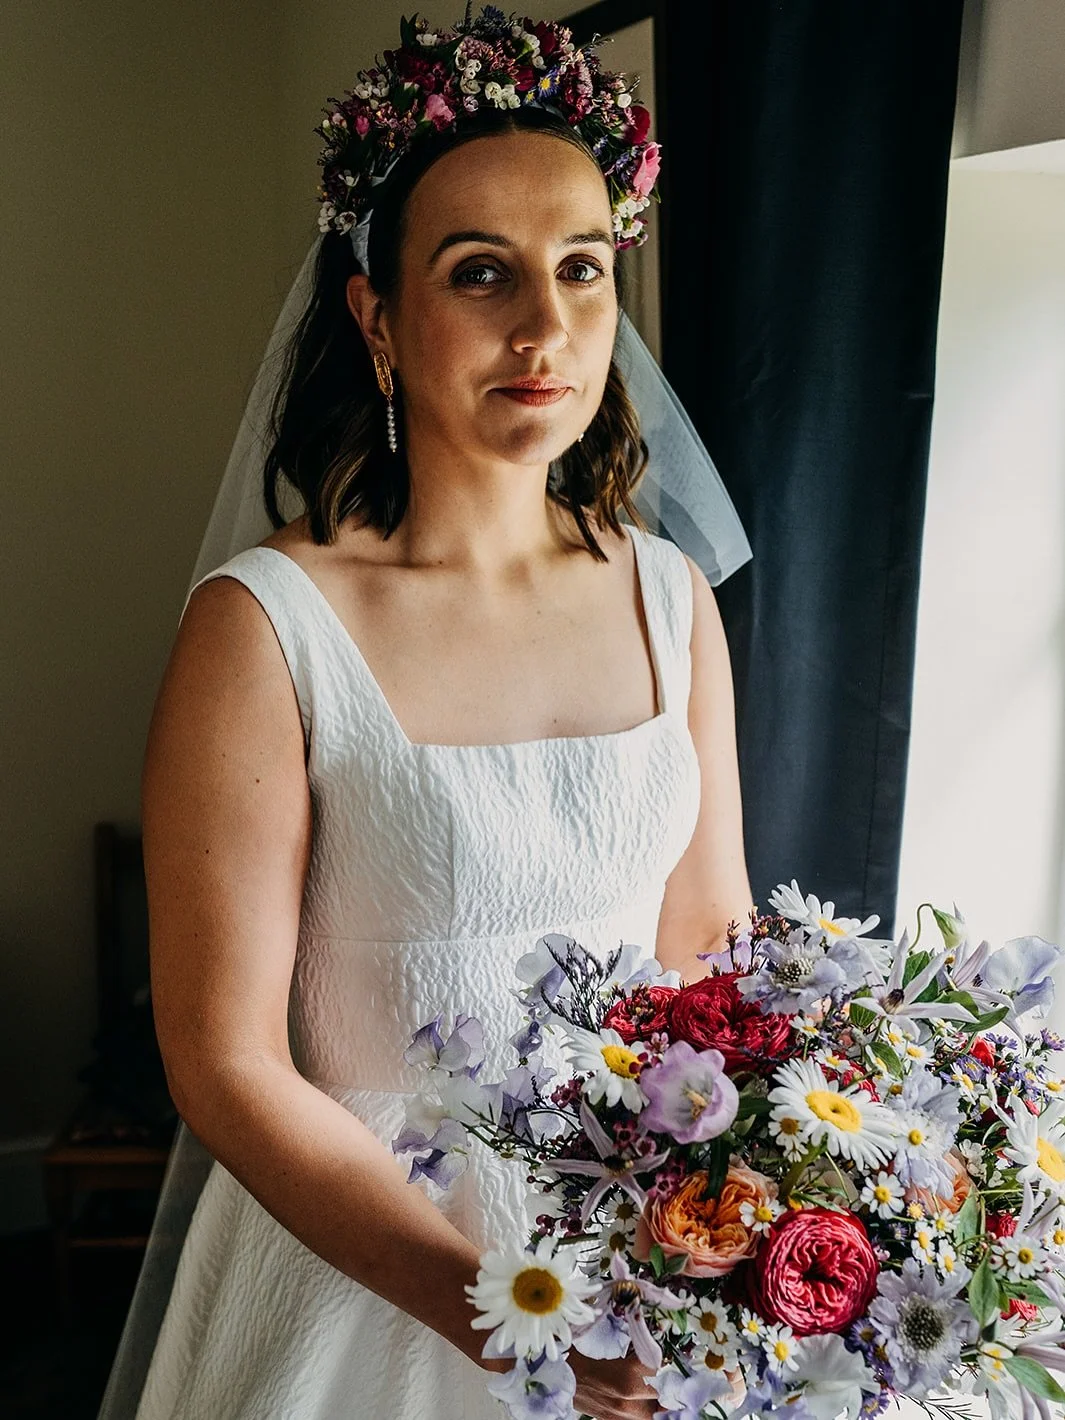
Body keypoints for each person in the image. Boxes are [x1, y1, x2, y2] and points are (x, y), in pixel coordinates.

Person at [99, 8, 754, 1418]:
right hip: (367, 1278)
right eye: (481, 274)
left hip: (638, 1260)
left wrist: (733, 1231)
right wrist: (505, 1316)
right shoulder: (267, 628)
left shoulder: (670, 596)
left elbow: (712, 951)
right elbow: (222, 1063)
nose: (546, 326)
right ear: (377, 317)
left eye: (583, 268)